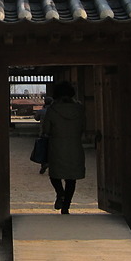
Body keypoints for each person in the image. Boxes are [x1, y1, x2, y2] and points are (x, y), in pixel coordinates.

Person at [41, 81, 86, 214]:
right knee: (71, 178)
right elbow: (83, 127)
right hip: (75, 145)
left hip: (57, 145)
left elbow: (46, 129)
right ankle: (66, 206)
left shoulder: (53, 110)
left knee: (55, 174)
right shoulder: (79, 109)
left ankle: (60, 193)